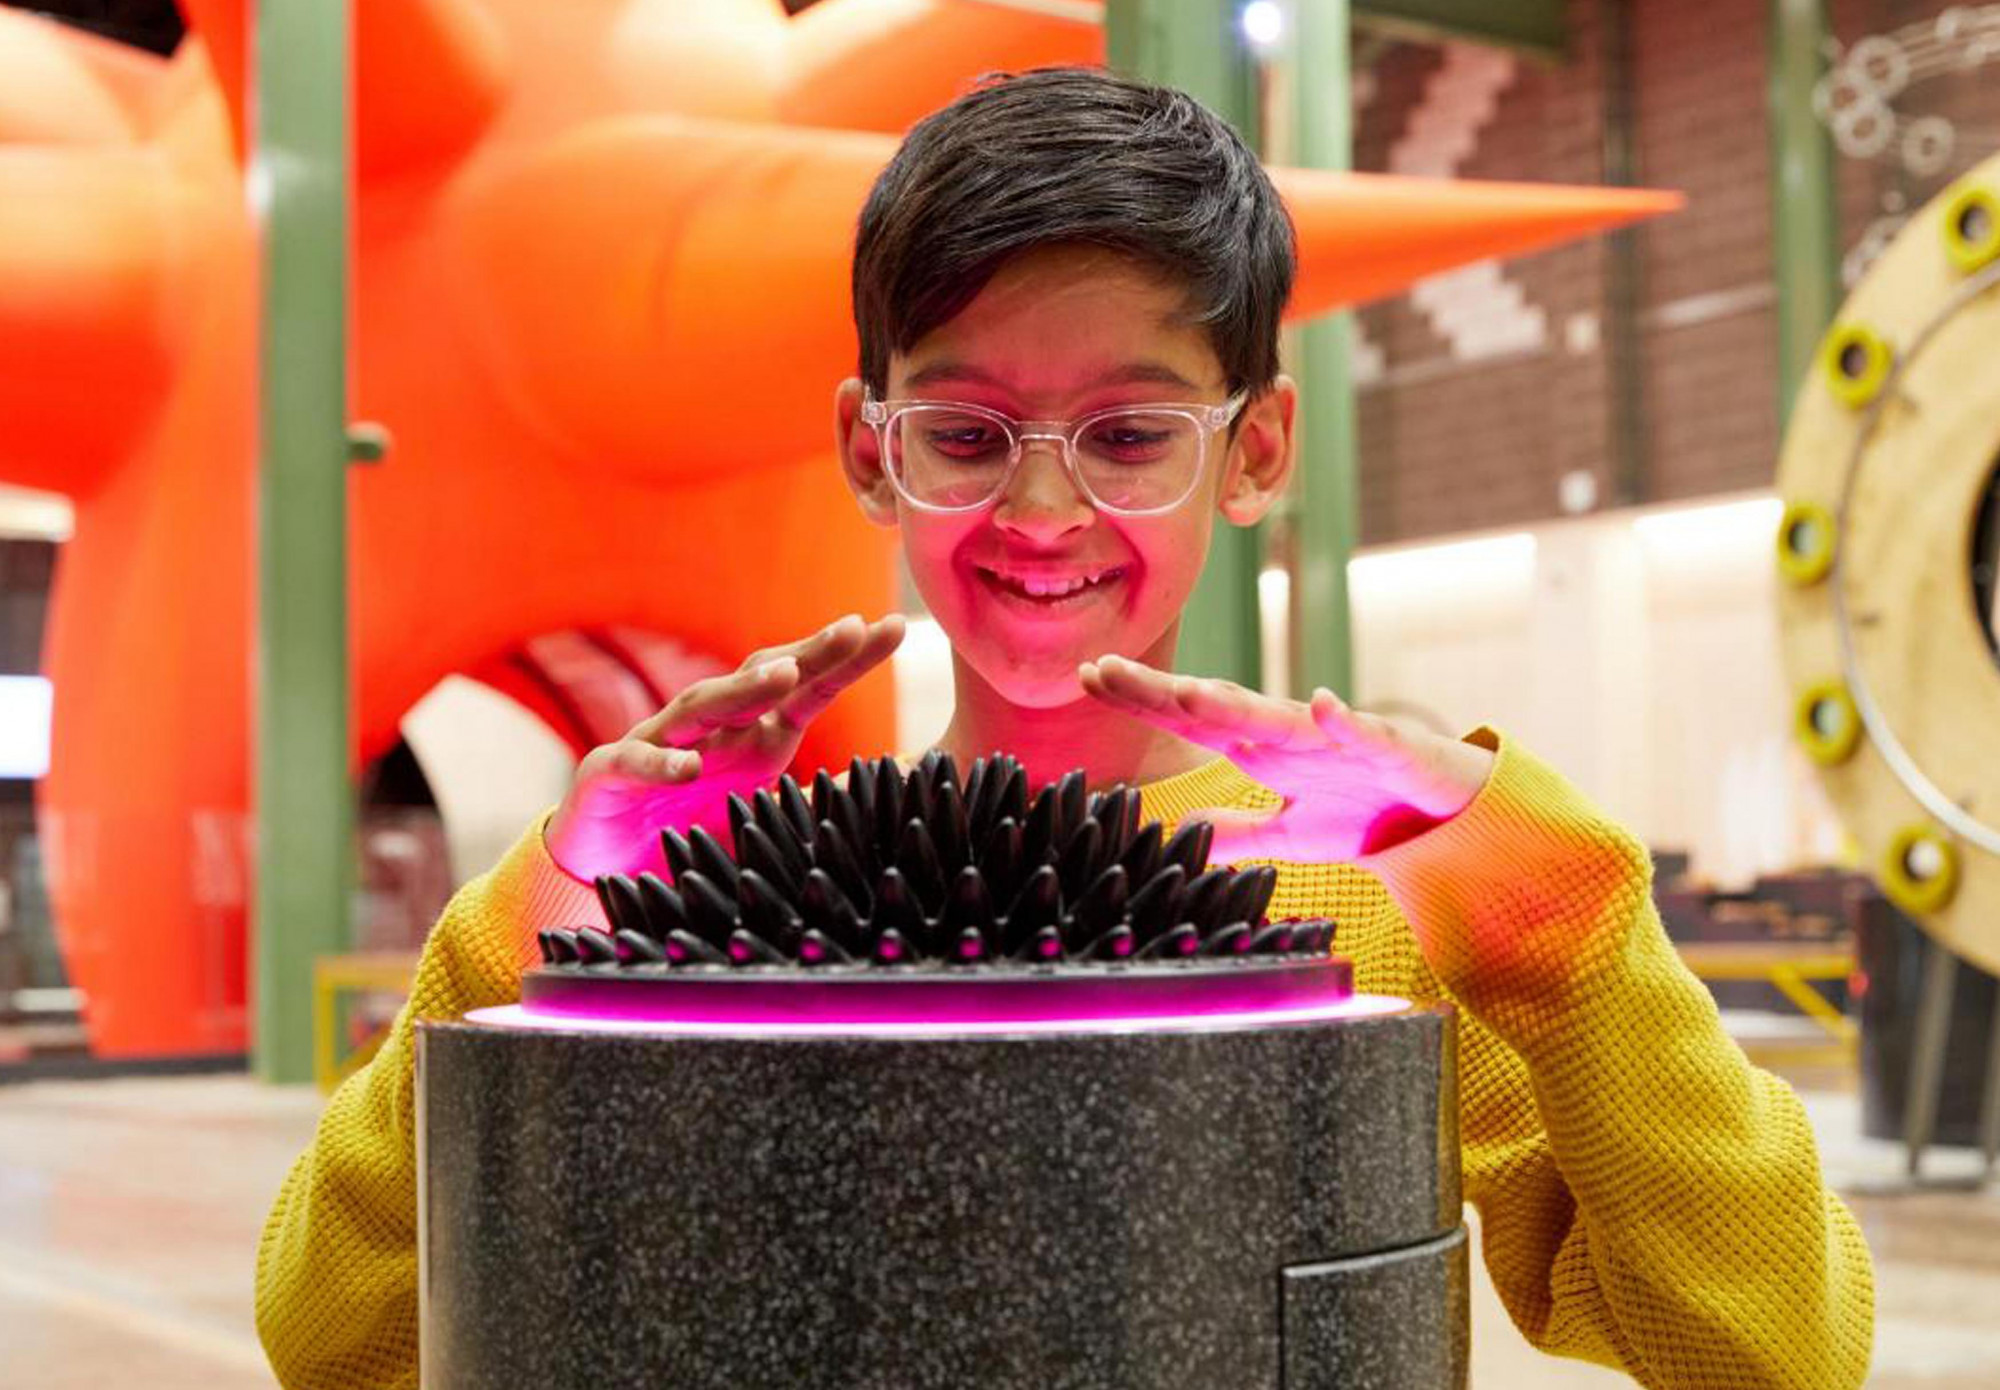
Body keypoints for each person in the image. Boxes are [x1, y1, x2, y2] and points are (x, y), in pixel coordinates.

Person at [255, 66, 1873, 1389]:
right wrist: (547, 910)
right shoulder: (750, 918)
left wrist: (1564, 915)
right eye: (966, 430)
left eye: (1128, 430)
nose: (1042, 507)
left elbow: (1778, 1347)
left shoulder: (1385, 910)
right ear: (868, 446)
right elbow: (333, 1335)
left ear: (1254, 453)